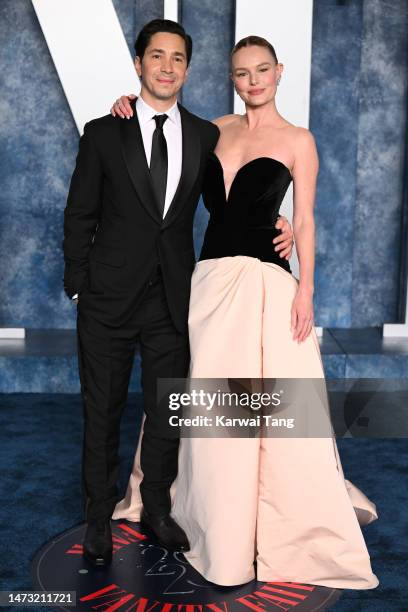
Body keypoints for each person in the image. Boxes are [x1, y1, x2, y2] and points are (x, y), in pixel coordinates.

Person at [110, 35, 379, 589]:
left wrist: (306, 289)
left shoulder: (299, 140)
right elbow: (158, 133)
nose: (252, 81)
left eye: (261, 70)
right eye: (241, 73)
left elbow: (303, 219)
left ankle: (251, 527)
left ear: (279, 72)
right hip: (206, 282)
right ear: (231, 78)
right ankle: (196, 507)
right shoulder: (213, 129)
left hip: (264, 283)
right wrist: (126, 108)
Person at [63, 20, 294, 567]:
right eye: (157, 57)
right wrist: (79, 286)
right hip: (107, 302)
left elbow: (239, 189)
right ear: (140, 64)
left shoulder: (206, 134)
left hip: (174, 300)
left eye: (178, 59)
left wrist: (277, 218)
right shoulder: (103, 131)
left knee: (168, 411)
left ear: (188, 69)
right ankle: (98, 518)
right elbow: (80, 214)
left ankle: (156, 510)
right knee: (103, 413)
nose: (167, 67)